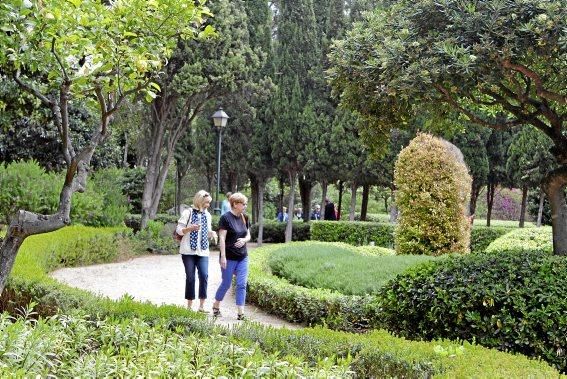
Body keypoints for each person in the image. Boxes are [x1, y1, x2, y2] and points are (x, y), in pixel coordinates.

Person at [176, 190, 217, 312]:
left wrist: (213, 233)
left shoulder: (207, 215)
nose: (208, 205)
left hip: (203, 251)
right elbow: (179, 230)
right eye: (206, 203)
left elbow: (207, 232)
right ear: (199, 201)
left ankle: (201, 306)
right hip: (188, 251)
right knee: (190, 277)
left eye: (209, 203)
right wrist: (189, 228)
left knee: (204, 275)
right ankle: (189, 306)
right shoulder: (187, 212)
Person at [212, 192, 251, 320]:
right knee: (226, 283)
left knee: (241, 284)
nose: (245, 206)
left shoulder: (245, 217)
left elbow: (248, 235)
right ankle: (216, 306)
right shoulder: (225, 218)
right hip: (228, 257)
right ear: (235, 204)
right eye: (243, 204)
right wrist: (222, 257)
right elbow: (222, 238)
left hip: (243, 257)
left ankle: (241, 313)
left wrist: (244, 241)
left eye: (245, 204)